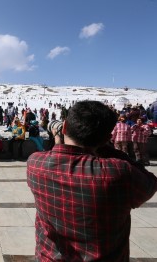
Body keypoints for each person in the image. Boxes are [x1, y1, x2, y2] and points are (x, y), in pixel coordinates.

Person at [27, 100, 157, 261]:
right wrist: (106, 147)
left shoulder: (35, 163)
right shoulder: (118, 172)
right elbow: (149, 183)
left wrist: (58, 141)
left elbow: (56, 158)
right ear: (107, 138)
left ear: (65, 127)